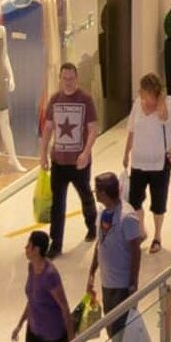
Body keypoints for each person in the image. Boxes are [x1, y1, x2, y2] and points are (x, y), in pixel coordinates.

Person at [84, 172, 145, 342]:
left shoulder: (127, 218)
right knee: (114, 334)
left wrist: (132, 285)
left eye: (97, 190)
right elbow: (100, 245)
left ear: (106, 193)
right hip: (108, 284)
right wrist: (91, 274)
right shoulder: (103, 214)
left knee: (118, 341)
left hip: (121, 287)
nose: (94, 193)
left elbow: (136, 251)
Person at [39, 61, 100, 254]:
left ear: (77, 78)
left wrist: (86, 152)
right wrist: (43, 155)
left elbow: (92, 129)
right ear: (60, 79)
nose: (68, 82)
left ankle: (92, 224)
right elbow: (48, 128)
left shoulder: (86, 99)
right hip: (59, 161)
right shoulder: (55, 100)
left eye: (71, 78)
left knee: (86, 196)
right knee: (58, 204)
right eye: (64, 79)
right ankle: (55, 244)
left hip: (79, 162)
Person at [122, 72, 171, 255]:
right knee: (135, 199)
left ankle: (157, 236)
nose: (142, 96)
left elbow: (163, 116)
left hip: (159, 163)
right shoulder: (137, 105)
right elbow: (131, 130)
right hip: (139, 161)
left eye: (145, 93)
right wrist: (126, 153)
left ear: (154, 93)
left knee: (158, 202)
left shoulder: (168, 103)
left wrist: (161, 97)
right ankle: (141, 231)